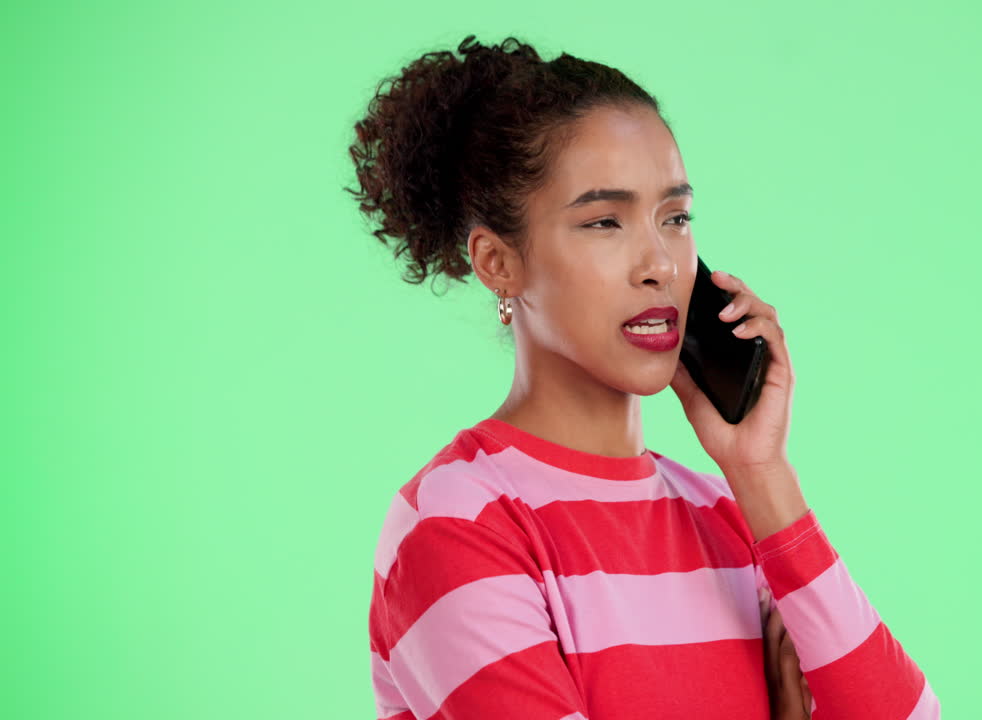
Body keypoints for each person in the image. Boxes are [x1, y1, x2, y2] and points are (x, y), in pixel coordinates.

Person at [346, 34, 940, 720]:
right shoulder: (459, 521)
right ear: (498, 263)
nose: (660, 263)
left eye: (676, 218)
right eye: (605, 221)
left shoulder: (731, 518)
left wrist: (761, 473)